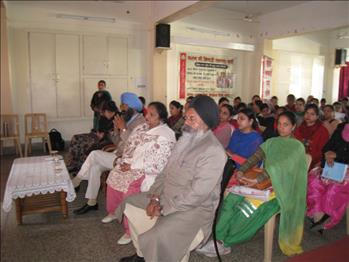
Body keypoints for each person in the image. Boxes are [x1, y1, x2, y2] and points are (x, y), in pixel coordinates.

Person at [115, 95, 227, 262]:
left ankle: (154, 253)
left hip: (193, 209)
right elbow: (165, 172)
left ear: (207, 120)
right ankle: (142, 254)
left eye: (192, 119)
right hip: (166, 196)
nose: (186, 123)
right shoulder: (185, 140)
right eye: (186, 118)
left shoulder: (213, 151)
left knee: (156, 237)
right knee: (130, 203)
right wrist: (155, 197)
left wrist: (163, 208)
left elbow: (196, 195)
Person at [197, 111, 308, 257]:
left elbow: (281, 167)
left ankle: (226, 242)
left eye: (285, 125)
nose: (281, 128)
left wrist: (259, 179)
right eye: (279, 124)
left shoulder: (297, 147)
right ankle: (219, 238)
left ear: (293, 127)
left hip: (280, 189)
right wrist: (242, 171)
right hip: (262, 184)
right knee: (231, 199)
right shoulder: (272, 142)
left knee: (248, 207)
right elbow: (254, 158)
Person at [103, 102, 176, 245]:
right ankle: (114, 211)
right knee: (114, 174)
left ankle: (130, 230)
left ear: (161, 118)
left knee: (130, 187)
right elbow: (131, 144)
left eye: (152, 115)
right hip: (132, 164)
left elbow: (159, 161)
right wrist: (124, 161)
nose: (147, 117)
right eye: (147, 113)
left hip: (149, 171)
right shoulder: (143, 127)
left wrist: (132, 166)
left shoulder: (166, 135)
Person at [72, 92, 145, 215]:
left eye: (124, 106)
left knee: (94, 154)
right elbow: (118, 142)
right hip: (117, 153)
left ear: (131, 106)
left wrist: (123, 128)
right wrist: (116, 131)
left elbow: (133, 145)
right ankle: (92, 202)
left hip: (127, 159)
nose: (121, 109)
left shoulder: (140, 122)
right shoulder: (127, 119)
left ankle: (76, 181)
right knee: (95, 168)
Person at [307, 122, 349, 231]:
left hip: (347, 170)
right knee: (314, 179)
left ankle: (326, 218)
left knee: (335, 187)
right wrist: (327, 153)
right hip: (334, 165)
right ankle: (317, 214)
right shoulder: (341, 127)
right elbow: (328, 146)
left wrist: (337, 155)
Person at [66, 101, 119, 173]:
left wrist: (102, 135)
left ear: (107, 111)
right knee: (76, 138)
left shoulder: (118, 118)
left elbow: (115, 136)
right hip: (98, 135)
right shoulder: (104, 117)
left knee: (86, 145)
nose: (101, 114)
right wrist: (96, 132)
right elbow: (100, 129)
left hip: (107, 139)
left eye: (102, 112)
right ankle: (73, 164)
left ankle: (81, 167)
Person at [295, 104, 329, 169]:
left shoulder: (322, 131)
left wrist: (308, 158)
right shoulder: (299, 128)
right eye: (307, 113)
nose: (308, 116)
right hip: (297, 159)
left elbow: (322, 150)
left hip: (314, 162)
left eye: (312, 114)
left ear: (317, 117)